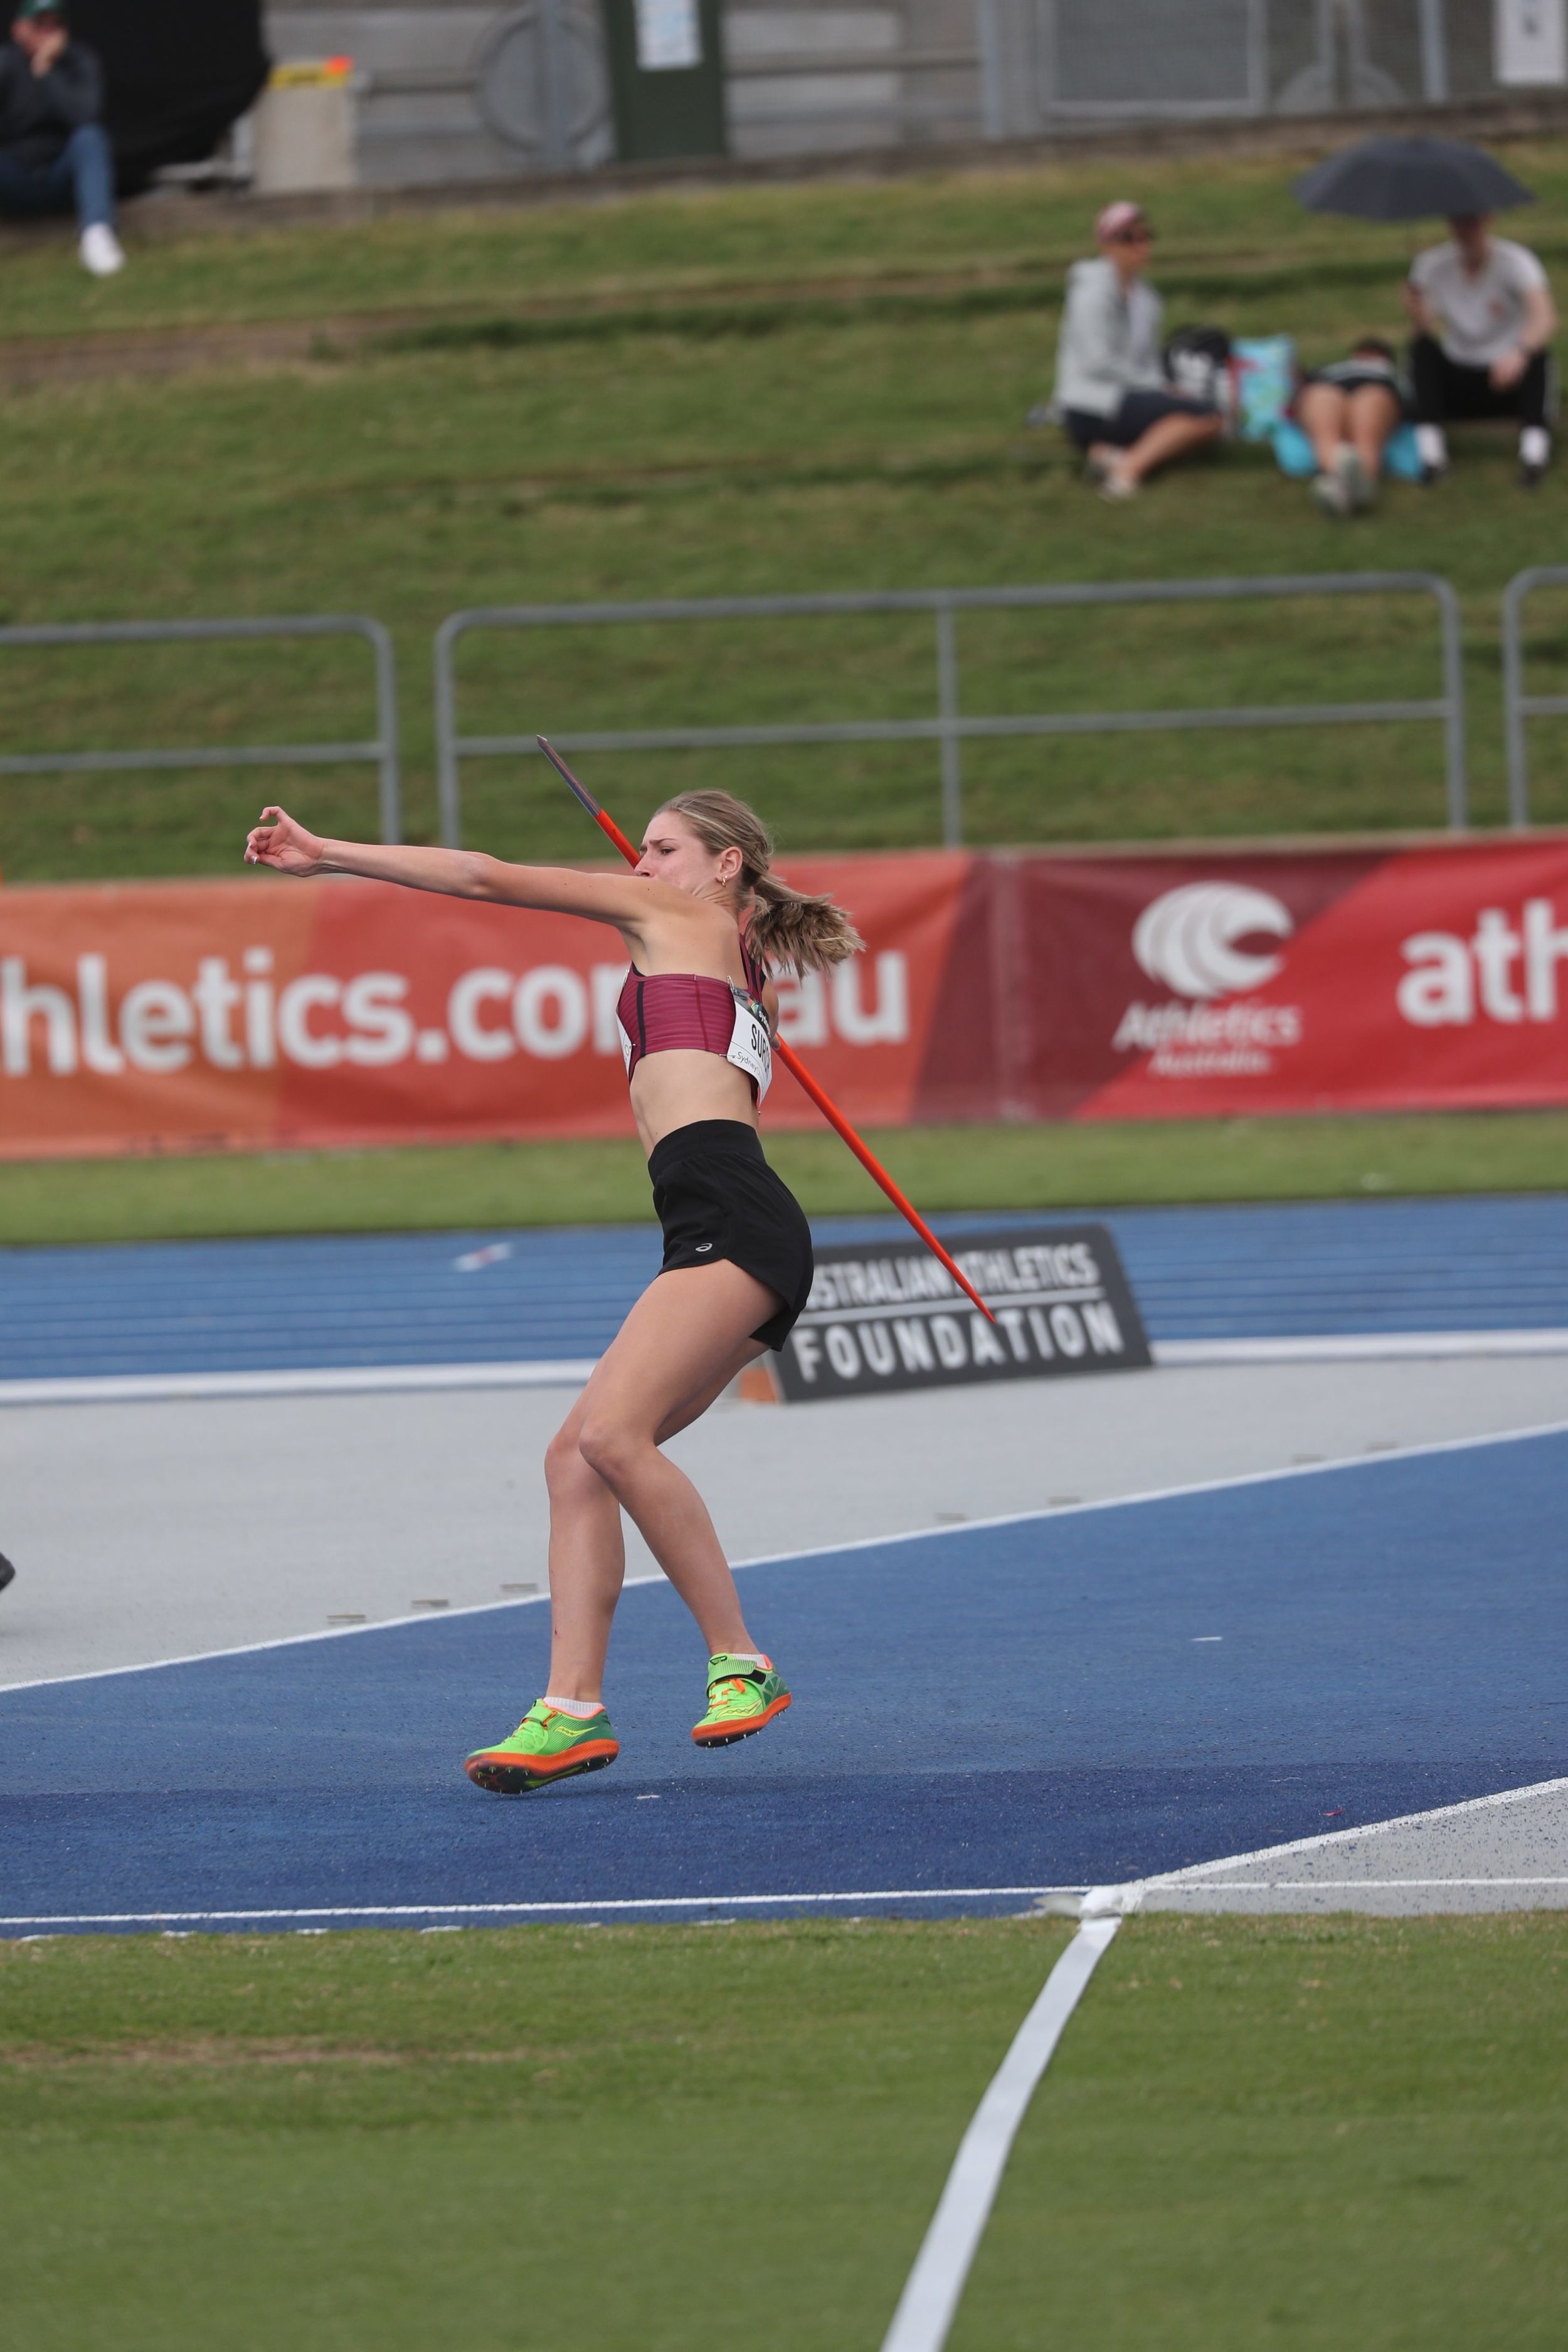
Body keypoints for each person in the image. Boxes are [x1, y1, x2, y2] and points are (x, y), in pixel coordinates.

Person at [244, 790, 862, 1794]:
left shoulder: (676, 918)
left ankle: (740, 1659)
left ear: (727, 865)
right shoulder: (739, 962)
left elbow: (483, 875)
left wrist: (328, 855)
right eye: (643, 849)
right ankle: (570, 1710)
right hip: (722, 1220)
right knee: (575, 1461)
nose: (642, 864)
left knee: (612, 1438)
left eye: (665, 849)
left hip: (732, 1221)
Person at [1052, 199, 1224, 501]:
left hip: (1125, 397)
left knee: (1202, 421)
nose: (1141, 245)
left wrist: (1163, 388)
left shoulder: (1147, 298)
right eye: (1129, 238)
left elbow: (1148, 358)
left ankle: (1110, 454)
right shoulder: (1091, 293)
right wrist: (1159, 387)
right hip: (1091, 403)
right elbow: (1097, 363)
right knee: (1207, 418)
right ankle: (1128, 471)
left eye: (1146, 236)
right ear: (1107, 245)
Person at [1404, 213, 1555, 487]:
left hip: (1506, 376)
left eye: (1472, 221)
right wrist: (1416, 312)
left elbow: (1544, 318)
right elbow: (1426, 328)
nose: (1465, 229)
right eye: (1459, 221)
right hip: (1459, 374)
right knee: (1421, 351)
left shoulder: (1516, 261)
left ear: (1488, 220)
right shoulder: (1430, 265)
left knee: (1539, 356)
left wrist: (1519, 352)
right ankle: (1432, 456)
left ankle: (1534, 455)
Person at [0, 0, 122, 278]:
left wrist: (45, 71)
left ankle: (97, 237)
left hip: (60, 179)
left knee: (91, 138)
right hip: (12, 179)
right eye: (39, 25)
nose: (47, 33)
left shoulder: (79, 61)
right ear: (19, 29)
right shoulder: (6, 62)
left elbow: (84, 116)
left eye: (54, 25)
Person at [1295, 336, 1410, 517]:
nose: (1368, 357)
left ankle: (1349, 485)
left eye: (1375, 354)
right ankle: (1348, 486)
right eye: (1365, 352)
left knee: (1366, 435)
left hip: (1375, 390)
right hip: (1327, 389)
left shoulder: (1392, 374)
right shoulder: (1326, 371)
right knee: (1325, 429)